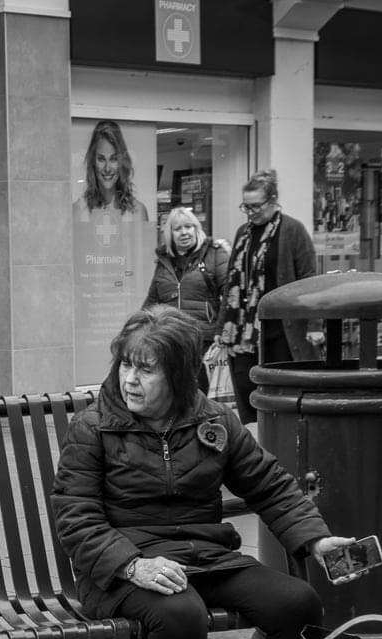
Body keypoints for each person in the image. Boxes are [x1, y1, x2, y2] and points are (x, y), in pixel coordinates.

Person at [50, 306, 357, 639]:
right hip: (123, 566)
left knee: (295, 603)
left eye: (146, 369)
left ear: (178, 373)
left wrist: (315, 540)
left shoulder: (213, 421)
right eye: (126, 364)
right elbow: (75, 516)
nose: (131, 378)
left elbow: (269, 485)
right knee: (180, 614)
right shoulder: (94, 428)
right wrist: (132, 564)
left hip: (203, 556)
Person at [216, 169, 320, 424]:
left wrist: (315, 326)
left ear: (273, 201)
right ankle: (254, 440)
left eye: (256, 206)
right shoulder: (243, 233)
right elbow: (232, 282)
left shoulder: (293, 231)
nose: (251, 212)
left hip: (281, 331)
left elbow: (309, 280)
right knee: (247, 388)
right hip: (243, 332)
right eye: (246, 206)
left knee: (280, 392)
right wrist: (222, 328)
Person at [143, 206, 229, 390]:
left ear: (196, 229)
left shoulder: (214, 253)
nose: (184, 233)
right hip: (171, 339)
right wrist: (137, 330)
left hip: (203, 340)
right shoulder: (164, 261)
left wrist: (221, 331)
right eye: (178, 229)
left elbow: (230, 293)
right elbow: (152, 300)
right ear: (170, 234)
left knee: (199, 393)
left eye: (189, 227)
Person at [76, 119, 149, 220]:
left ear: (122, 162)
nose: (107, 168)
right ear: (93, 161)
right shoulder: (79, 211)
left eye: (114, 159)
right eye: (101, 159)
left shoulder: (138, 211)